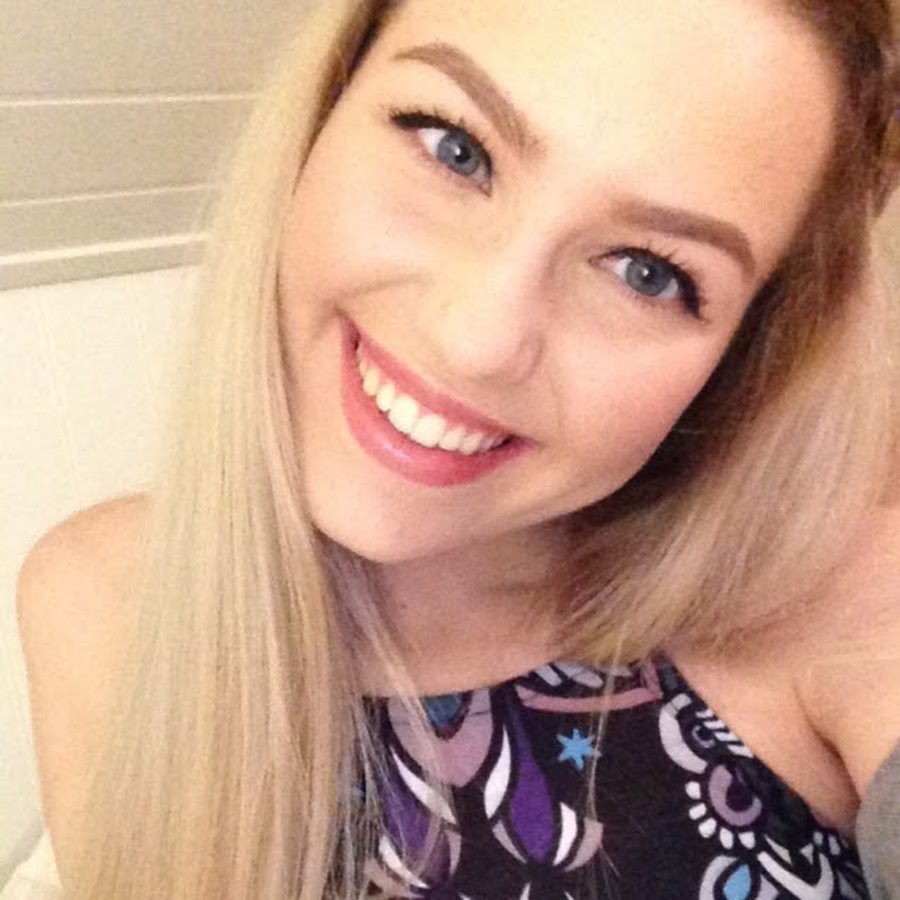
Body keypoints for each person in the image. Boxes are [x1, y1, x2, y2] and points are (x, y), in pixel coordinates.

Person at [14, 0, 900, 897]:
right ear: (323, 112)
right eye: (455, 148)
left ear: (749, 352)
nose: (476, 339)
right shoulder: (105, 599)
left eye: (647, 271)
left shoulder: (841, 602)